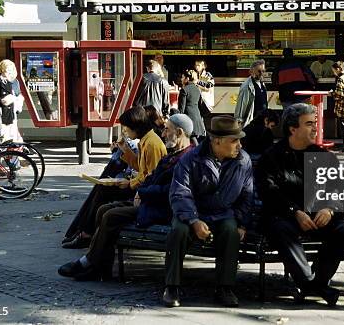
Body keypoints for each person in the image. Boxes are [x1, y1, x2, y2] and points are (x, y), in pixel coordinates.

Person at [58, 114, 195, 281]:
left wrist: (139, 190)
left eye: (167, 130)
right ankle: (98, 265)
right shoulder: (173, 152)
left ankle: (90, 261)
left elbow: (170, 190)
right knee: (103, 208)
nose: (164, 133)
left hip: (161, 208)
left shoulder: (185, 158)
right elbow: (150, 176)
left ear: (179, 132)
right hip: (149, 200)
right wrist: (137, 184)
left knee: (110, 214)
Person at [256, 103, 344, 306]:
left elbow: (339, 188)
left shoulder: (324, 157)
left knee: (343, 229)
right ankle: (315, 286)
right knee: (280, 228)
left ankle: (315, 283)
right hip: (284, 218)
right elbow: (269, 193)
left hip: (318, 217)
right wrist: (295, 212)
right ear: (293, 128)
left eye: (315, 123)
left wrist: (330, 208)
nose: (315, 128)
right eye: (309, 124)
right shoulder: (272, 157)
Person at [163, 116, 253, 308]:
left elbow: (247, 195)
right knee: (179, 230)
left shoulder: (243, 160)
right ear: (217, 141)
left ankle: (224, 288)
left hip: (223, 213)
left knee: (231, 230)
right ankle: (172, 286)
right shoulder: (191, 158)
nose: (239, 145)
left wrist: (242, 222)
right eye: (234, 140)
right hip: (193, 212)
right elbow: (180, 192)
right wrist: (194, 220)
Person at [61, 106, 167, 249]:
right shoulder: (146, 140)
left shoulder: (152, 144)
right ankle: (85, 231)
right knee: (101, 188)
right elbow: (141, 167)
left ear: (136, 127)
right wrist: (126, 151)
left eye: (126, 128)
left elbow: (152, 177)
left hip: (143, 193)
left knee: (103, 192)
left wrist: (130, 183)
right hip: (139, 187)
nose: (124, 131)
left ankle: (87, 234)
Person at [234, 59, 267, 127]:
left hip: (262, 121)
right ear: (252, 71)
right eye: (259, 71)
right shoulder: (246, 86)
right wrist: (239, 123)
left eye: (263, 71)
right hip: (252, 123)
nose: (261, 73)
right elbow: (241, 107)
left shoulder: (262, 83)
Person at [178, 69, 206, 140]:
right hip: (198, 120)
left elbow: (181, 109)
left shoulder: (184, 90)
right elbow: (200, 106)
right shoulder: (197, 89)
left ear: (187, 79)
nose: (181, 79)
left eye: (183, 77)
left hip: (188, 120)